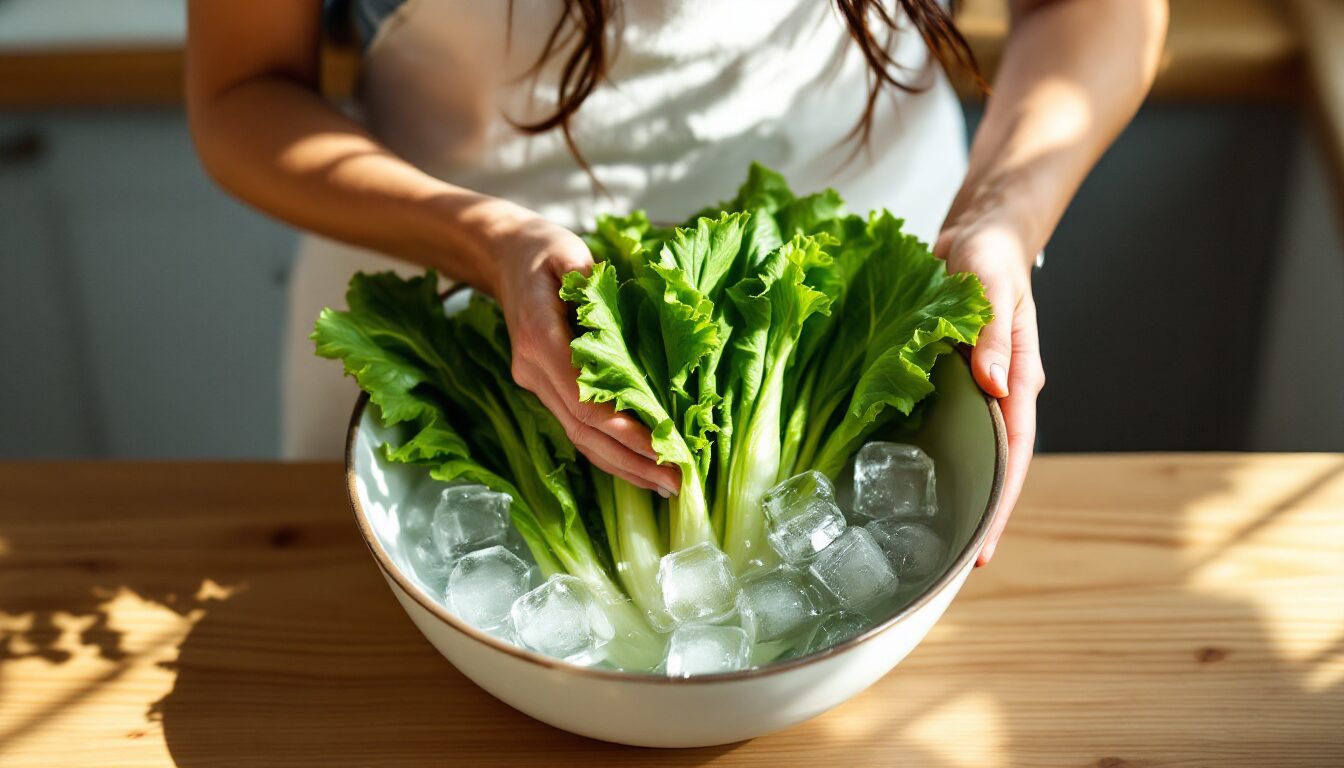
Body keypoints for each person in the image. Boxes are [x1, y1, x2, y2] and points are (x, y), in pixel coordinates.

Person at [186, 0, 1166, 565]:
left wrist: (1000, 214)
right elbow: (242, 92)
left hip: (853, 282)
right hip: (454, 285)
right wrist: (482, 241)